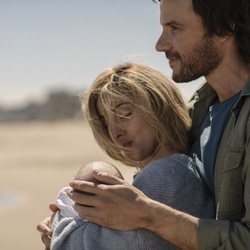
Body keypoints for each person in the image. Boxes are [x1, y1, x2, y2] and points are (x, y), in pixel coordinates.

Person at [61, 0, 250, 249]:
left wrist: (149, 214)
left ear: (225, 27)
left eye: (175, 28)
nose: (160, 44)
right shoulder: (198, 110)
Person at [38, 63, 215, 250]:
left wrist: (58, 219)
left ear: (159, 107)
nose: (114, 131)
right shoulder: (169, 170)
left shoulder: (165, 174)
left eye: (125, 114)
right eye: (106, 122)